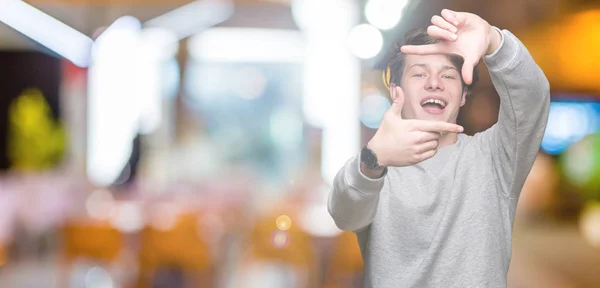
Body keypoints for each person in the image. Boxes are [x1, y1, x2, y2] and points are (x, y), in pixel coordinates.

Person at [327, 9, 550, 288]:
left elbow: (532, 97)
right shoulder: (373, 168)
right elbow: (343, 215)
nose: (434, 83)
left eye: (448, 76)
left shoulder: (494, 158)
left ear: (464, 95)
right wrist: (374, 158)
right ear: (397, 91)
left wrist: (493, 40)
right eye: (419, 74)